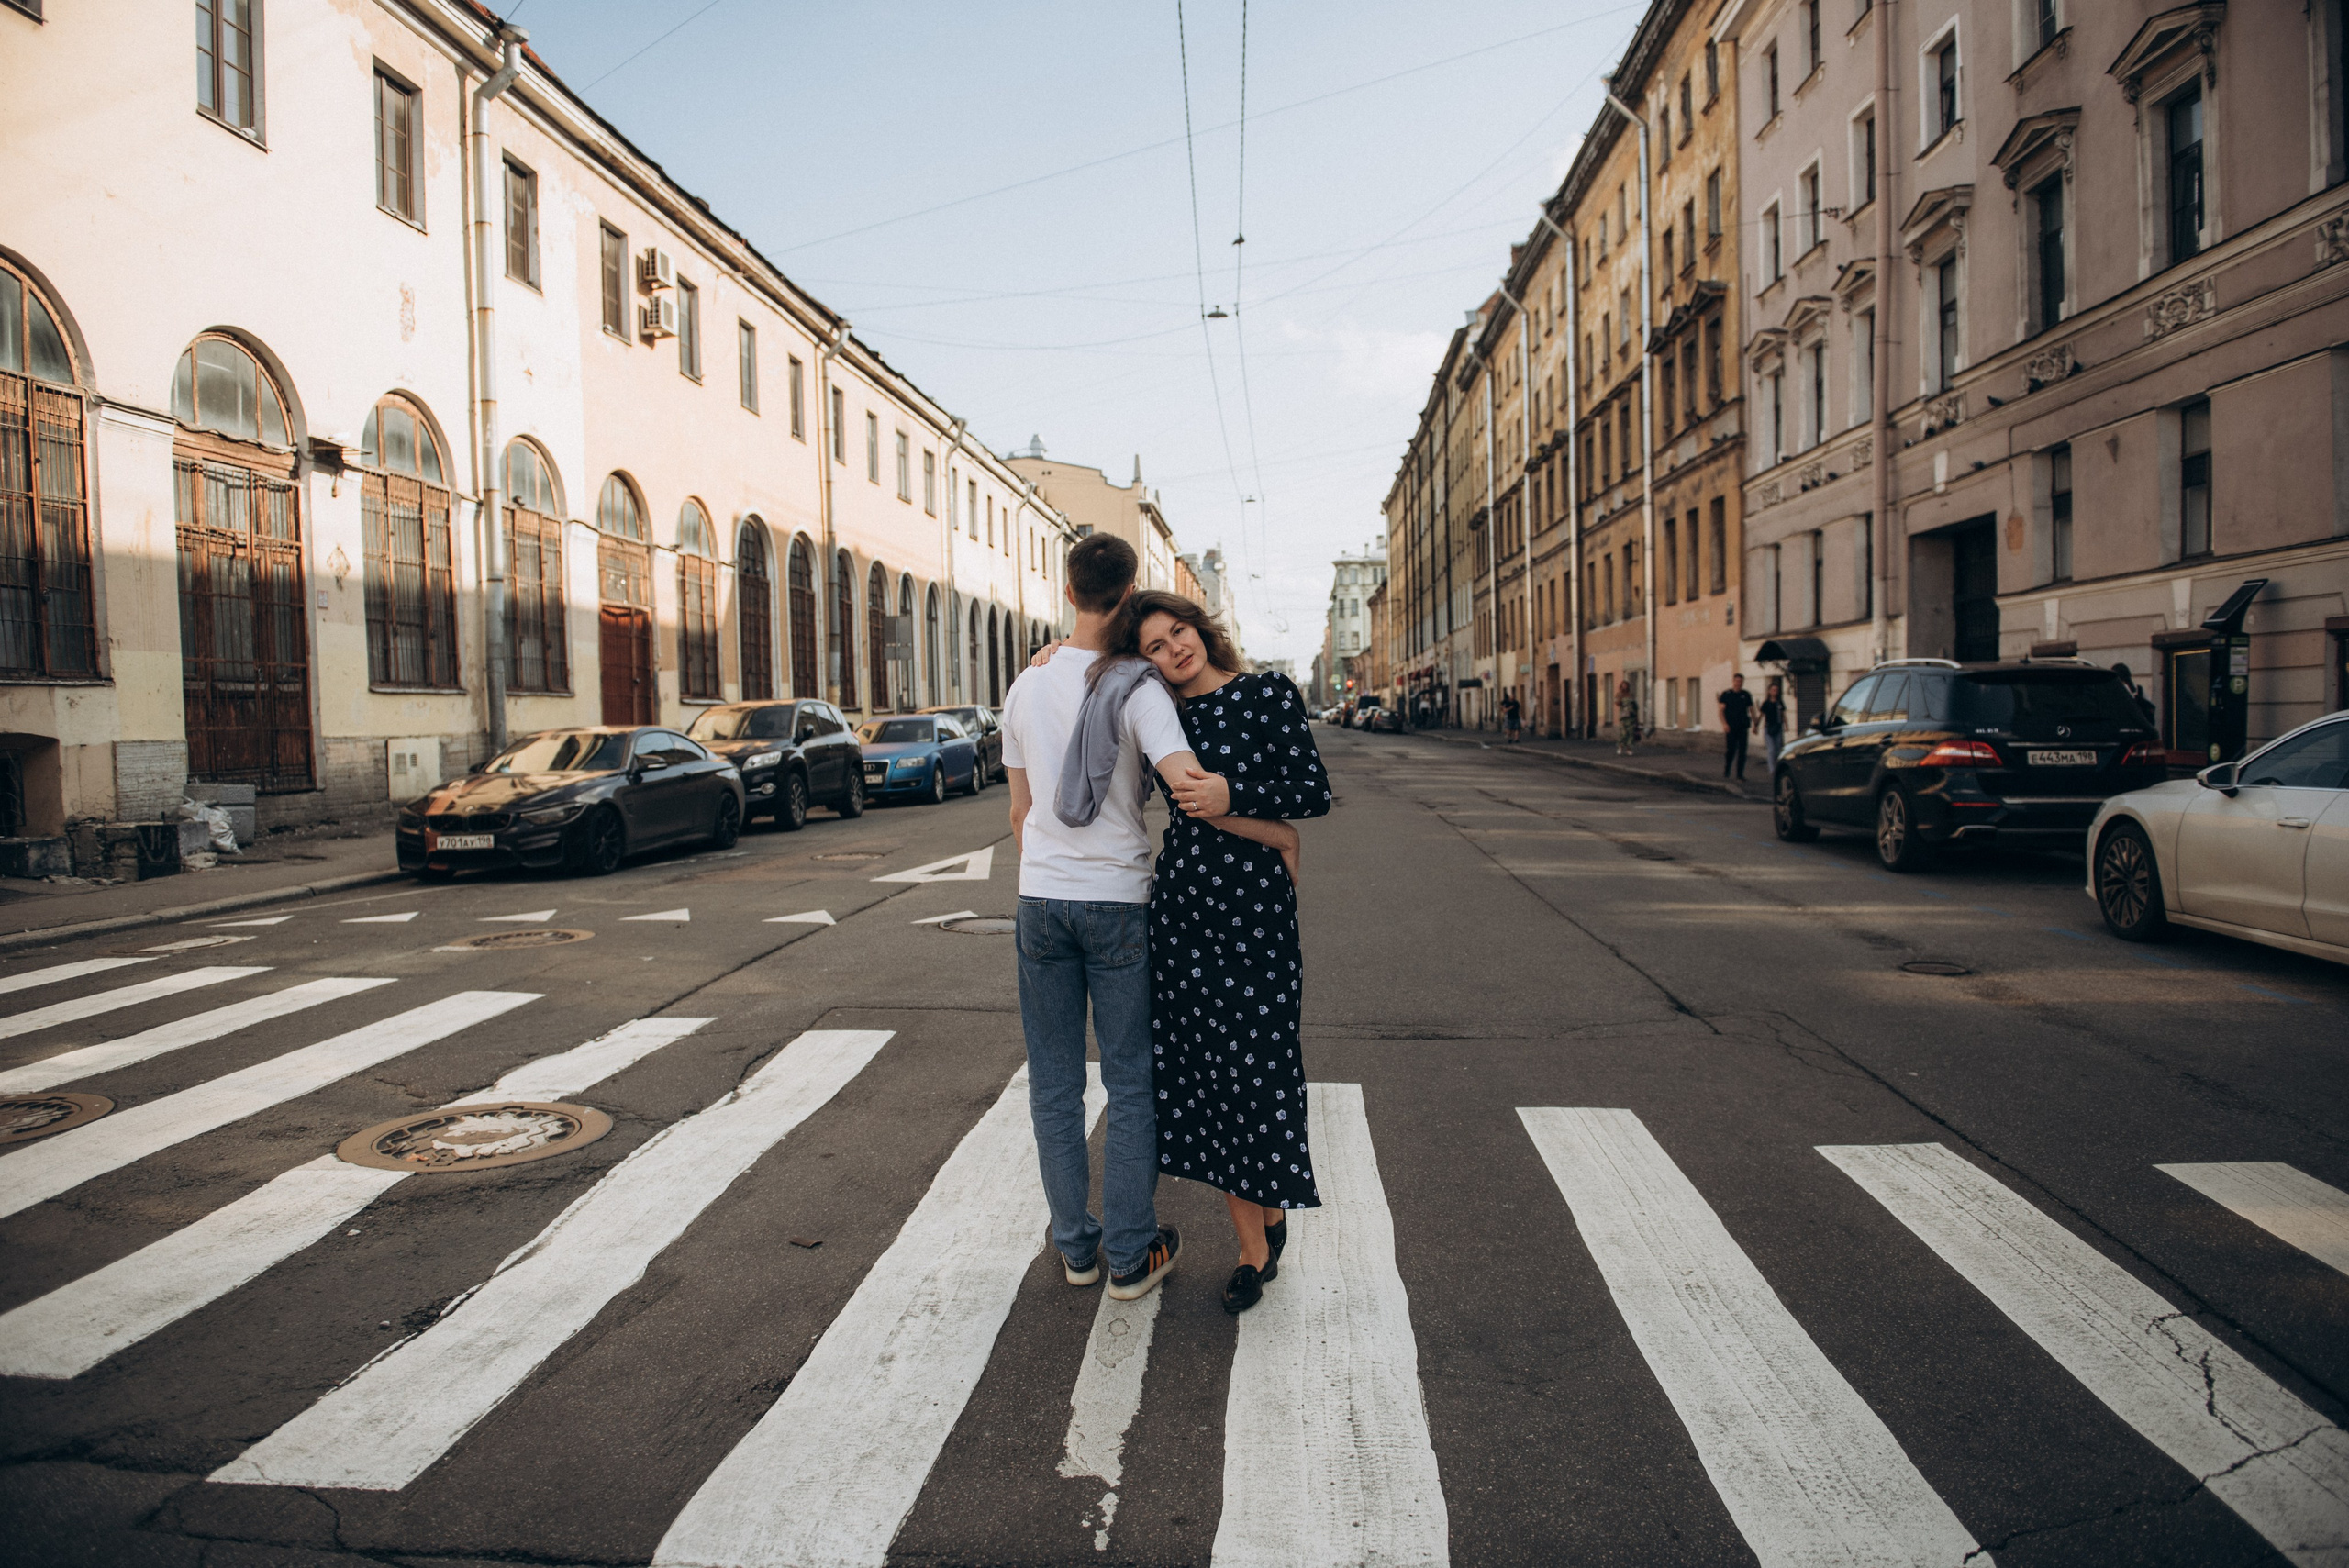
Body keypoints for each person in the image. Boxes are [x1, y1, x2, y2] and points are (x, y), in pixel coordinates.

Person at [1106, 589, 1330, 1315]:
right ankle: (1254, 1250)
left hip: (1256, 913)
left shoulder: (1267, 692)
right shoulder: (1160, 715)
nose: (1176, 649)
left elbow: (1311, 790)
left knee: (1261, 1064)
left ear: (1200, 627)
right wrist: (1057, 653)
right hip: (1184, 912)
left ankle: (1268, 1210)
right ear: (1146, 664)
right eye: (1156, 647)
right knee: (1215, 1074)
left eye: (1179, 631)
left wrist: (1245, 801)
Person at [1000, 534, 1203, 1305]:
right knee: (1129, 1081)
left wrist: (1052, 867)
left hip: (1040, 901)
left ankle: (1076, 1251)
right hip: (1118, 901)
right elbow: (1184, 782)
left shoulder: (1027, 684)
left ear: (1068, 588)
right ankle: (1128, 1253)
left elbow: (1020, 813)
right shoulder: (1137, 687)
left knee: (1053, 1084)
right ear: (1130, 592)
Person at [1718, 673, 1756, 781]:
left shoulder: (1746, 695)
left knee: (1743, 751)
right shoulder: (1727, 694)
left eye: (1740, 681)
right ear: (1733, 681)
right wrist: (1724, 724)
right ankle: (1727, 770)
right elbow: (1721, 711)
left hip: (1743, 726)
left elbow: (1751, 710)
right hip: (1731, 726)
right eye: (1737, 681)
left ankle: (1740, 774)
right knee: (1731, 750)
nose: (1738, 683)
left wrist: (1755, 723)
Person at [1760, 677, 1788, 773]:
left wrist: (1786, 725)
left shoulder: (1779, 702)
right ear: (1769, 691)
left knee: (1778, 749)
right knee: (1771, 749)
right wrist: (1756, 726)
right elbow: (1761, 715)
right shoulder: (1766, 703)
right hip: (1768, 728)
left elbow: (1783, 715)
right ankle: (1772, 769)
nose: (1775, 692)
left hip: (1778, 727)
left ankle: (1777, 767)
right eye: (1773, 690)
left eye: (1776, 690)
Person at [1615, 679, 1641, 755]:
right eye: (1623, 685)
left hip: (1631, 716)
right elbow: (1617, 703)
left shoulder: (1631, 695)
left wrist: (1636, 716)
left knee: (1630, 733)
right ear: (1621, 686)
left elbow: (1635, 706)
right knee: (1623, 733)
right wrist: (1621, 696)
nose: (1625, 687)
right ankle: (1620, 746)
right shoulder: (1619, 694)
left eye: (1626, 685)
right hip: (1623, 717)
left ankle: (1629, 749)